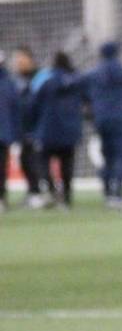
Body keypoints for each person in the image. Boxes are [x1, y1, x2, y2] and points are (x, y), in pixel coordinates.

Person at [85, 41, 122, 211]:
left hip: (102, 119)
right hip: (121, 119)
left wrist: (88, 109)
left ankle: (107, 192)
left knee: (107, 157)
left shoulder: (94, 73)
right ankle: (118, 194)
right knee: (121, 156)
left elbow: (82, 90)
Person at [30, 52, 85, 209]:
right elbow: (86, 101)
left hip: (48, 130)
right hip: (70, 131)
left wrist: (33, 125)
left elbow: (34, 104)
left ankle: (53, 190)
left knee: (42, 162)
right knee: (67, 165)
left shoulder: (45, 80)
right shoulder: (76, 81)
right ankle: (67, 197)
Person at [13, 47, 49, 208]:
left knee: (35, 161)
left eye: (21, 59)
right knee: (25, 160)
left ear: (30, 59)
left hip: (39, 128)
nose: (18, 63)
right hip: (24, 128)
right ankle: (35, 192)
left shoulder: (40, 78)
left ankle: (43, 193)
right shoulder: (18, 80)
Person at [0, 52, 19, 213]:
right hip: (5, 132)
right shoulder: (9, 83)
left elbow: (15, 109)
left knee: (1, 168)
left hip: (3, 133)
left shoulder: (8, 83)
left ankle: (1, 198)